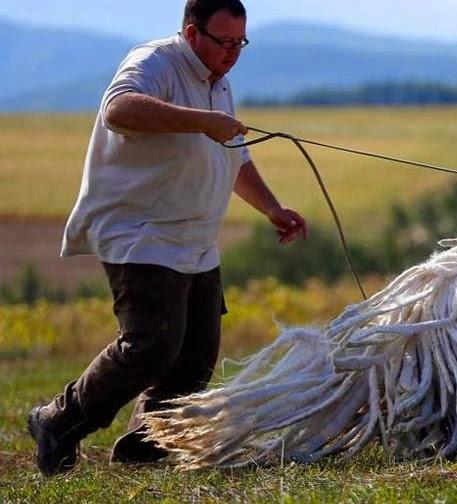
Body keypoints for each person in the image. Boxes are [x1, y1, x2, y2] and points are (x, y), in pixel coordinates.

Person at [26, 0, 307, 475]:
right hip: (141, 232)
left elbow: (233, 158)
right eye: (224, 41)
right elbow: (119, 109)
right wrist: (201, 120)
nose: (233, 52)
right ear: (192, 34)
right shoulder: (154, 61)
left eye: (241, 42)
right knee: (151, 345)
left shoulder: (220, 82)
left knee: (196, 356)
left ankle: (145, 446)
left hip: (196, 239)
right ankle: (58, 420)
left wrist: (272, 208)